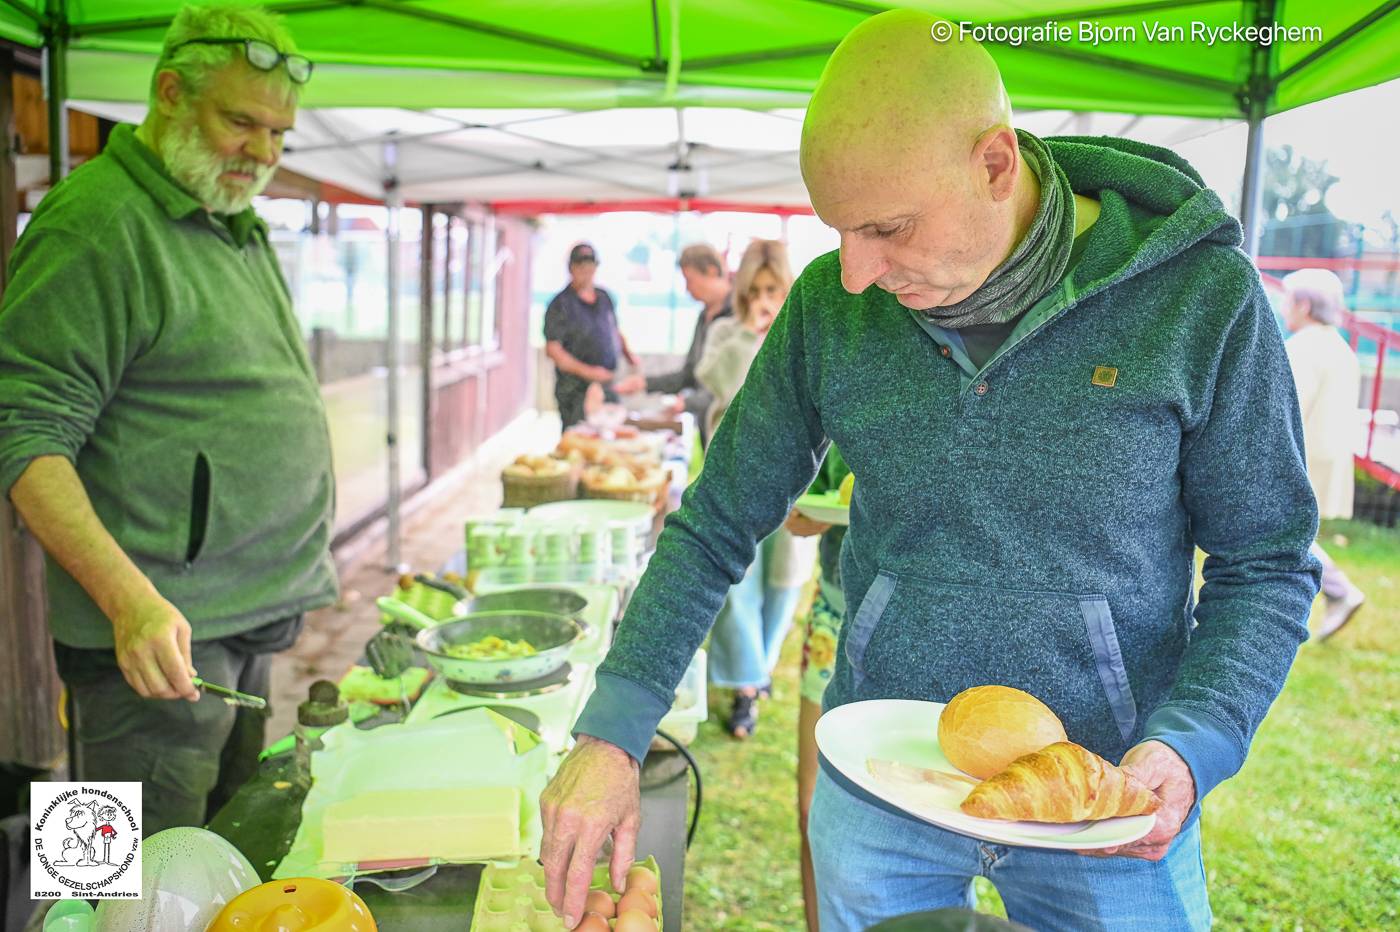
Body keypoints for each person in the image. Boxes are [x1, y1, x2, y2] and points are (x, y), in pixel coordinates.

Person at [539, 11, 1319, 932]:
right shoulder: (832, 305)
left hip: (1105, 795)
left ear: (994, 163)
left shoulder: (1200, 300)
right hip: (884, 786)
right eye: (840, 233)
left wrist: (1190, 748)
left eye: (887, 228)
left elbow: (1266, 564)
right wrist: (613, 728)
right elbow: (717, 520)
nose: (858, 275)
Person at [0, 3, 337, 835]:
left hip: (242, 620)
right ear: (168, 94)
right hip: (147, 646)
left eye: (280, 134)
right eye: (240, 122)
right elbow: (23, 432)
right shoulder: (96, 222)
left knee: (224, 851)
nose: (262, 152)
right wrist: (128, 602)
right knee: (112, 877)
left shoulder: (227, 217)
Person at [694, 239, 815, 737]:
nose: (765, 297)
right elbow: (718, 382)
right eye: (758, 289)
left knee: (783, 580)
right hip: (739, 471)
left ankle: (757, 668)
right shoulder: (727, 330)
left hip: (793, 474)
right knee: (737, 582)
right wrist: (748, 333)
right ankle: (745, 686)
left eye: (774, 288)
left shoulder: (803, 333)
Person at [784, 446, 850, 931]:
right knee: (812, 805)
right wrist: (802, 507)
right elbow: (794, 503)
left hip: (930, 626)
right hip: (836, 611)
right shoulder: (848, 374)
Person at [1282, 268, 1365, 639]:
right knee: (1294, 530)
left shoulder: (1303, 349)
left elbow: (1286, 409)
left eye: (1288, 300)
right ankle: (1336, 592)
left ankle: (1339, 591)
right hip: (1328, 450)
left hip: (1303, 451)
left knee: (1287, 531)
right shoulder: (1340, 347)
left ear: (1303, 304)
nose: (1285, 309)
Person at [543, 242, 644, 428]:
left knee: (613, 431)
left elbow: (614, 330)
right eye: (580, 266)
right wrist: (589, 373)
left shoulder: (604, 297)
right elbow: (554, 351)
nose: (586, 271)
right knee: (580, 436)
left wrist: (629, 356)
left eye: (590, 266)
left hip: (608, 384)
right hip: (575, 389)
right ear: (571, 268)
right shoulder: (560, 305)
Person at [642, 243, 733, 441]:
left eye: (689, 280)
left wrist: (688, 403)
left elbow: (732, 387)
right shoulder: (704, 317)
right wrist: (645, 383)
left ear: (710, 271)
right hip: (706, 427)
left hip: (730, 429)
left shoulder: (739, 318)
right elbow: (690, 374)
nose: (687, 289)